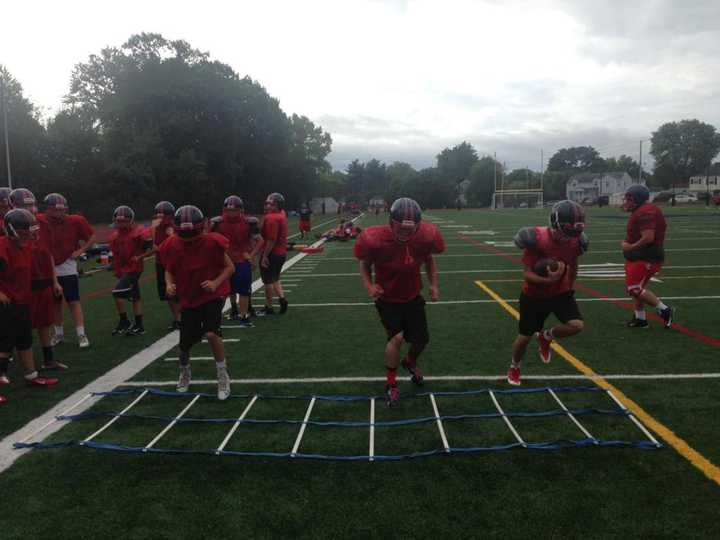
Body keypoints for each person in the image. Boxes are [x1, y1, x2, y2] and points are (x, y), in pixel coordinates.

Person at [354, 197, 445, 407]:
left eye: (409, 229)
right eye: (400, 228)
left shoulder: (426, 236)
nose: (405, 233)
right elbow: (364, 263)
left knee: (422, 340)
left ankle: (410, 362)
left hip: (413, 295)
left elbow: (430, 259)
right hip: (387, 297)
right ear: (391, 222)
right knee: (397, 338)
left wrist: (433, 284)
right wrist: (369, 286)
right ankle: (392, 385)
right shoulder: (374, 239)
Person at [508, 200, 589, 386]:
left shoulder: (577, 242)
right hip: (534, 296)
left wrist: (570, 286)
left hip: (561, 293)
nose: (569, 238)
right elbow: (527, 273)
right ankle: (514, 366)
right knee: (525, 337)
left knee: (576, 325)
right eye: (566, 233)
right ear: (554, 224)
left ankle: (546, 337)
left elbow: (574, 264)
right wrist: (548, 280)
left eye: (573, 235)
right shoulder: (537, 239)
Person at [158, 205, 235, 400]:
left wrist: (215, 282)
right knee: (185, 344)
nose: (188, 237)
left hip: (211, 295)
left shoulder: (212, 242)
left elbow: (230, 267)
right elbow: (169, 269)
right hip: (189, 296)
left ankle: (222, 374)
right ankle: (185, 371)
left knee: (211, 333)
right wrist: (168, 284)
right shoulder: (171, 244)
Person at [0, 209, 59, 403]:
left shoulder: (25, 246)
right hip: (6, 302)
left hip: (22, 300)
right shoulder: (3, 246)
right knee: (5, 344)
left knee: (25, 340)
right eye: (24, 229)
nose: (29, 233)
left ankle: (31, 376)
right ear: (12, 230)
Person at [11, 190, 67, 372]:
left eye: (31, 204)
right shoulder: (11, 224)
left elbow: (48, 253)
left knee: (45, 322)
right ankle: (19, 365)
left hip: (43, 279)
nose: (30, 208)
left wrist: (55, 280)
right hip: (23, 282)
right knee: (21, 326)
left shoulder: (43, 223)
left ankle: (48, 360)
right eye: (25, 204)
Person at [43, 193, 95, 348]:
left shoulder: (75, 220)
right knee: (55, 303)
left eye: (61, 209)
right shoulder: (41, 220)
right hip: (48, 266)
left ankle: (81, 334)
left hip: (67, 265)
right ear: (48, 209)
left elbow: (92, 237)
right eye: (55, 209)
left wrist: (80, 252)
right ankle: (59, 334)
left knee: (73, 301)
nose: (59, 212)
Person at [621, 184, 674, 328]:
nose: (626, 201)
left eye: (629, 198)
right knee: (637, 289)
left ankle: (664, 309)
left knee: (634, 288)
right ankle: (640, 319)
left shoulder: (646, 211)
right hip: (639, 256)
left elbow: (648, 237)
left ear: (637, 199)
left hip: (647, 256)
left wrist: (630, 247)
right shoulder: (641, 210)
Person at [109, 206, 153, 337]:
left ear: (131, 220)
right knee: (135, 296)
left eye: (124, 221)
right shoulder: (114, 236)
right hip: (124, 269)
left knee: (117, 293)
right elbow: (116, 256)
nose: (121, 223)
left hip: (134, 268)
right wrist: (117, 270)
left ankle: (125, 321)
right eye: (119, 220)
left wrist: (139, 257)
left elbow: (153, 248)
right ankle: (139, 326)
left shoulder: (139, 232)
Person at [212, 195, 255, 327]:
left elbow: (260, 240)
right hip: (224, 262)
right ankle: (214, 319)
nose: (230, 213)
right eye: (228, 210)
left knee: (243, 291)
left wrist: (251, 255)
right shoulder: (217, 222)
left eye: (233, 210)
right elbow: (206, 238)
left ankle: (243, 317)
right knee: (222, 292)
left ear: (240, 210)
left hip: (241, 261)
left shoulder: (249, 222)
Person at [151, 201, 181, 330]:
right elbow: (150, 246)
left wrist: (171, 235)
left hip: (175, 264)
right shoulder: (154, 228)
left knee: (179, 292)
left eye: (162, 214)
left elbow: (178, 244)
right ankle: (178, 319)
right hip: (161, 263)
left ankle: (184, 317)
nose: (159, 216)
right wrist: (152, 229)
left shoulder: (174, 227)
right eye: (158, 213)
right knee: (168, 293)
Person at [259, 192, 288, 316]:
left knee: (267, 281)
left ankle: (269, 307)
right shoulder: (281, 214)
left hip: (272, 253)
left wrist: (265, 256)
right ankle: (282, 299)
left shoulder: (272, 218)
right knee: (275, 278)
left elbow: (271, 239)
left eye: (268, 203)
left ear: (275, 204)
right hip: (281, 253)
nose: (266, 205)